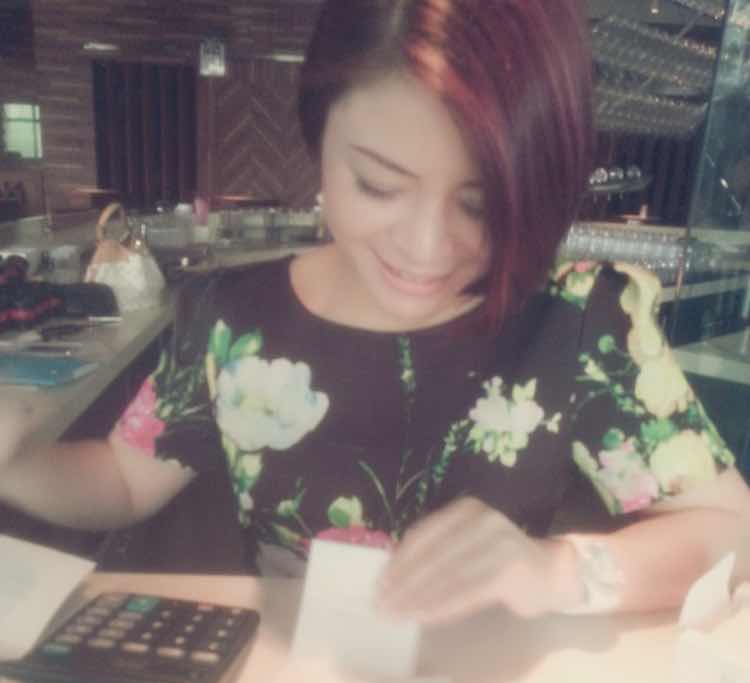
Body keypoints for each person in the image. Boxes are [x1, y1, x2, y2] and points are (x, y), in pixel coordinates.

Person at [2, 0, 749, 625]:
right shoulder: (232, 316)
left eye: (482, 204)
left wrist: (556, 570)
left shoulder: (581, 320)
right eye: (379, 186)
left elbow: (733, 535)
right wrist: (21, 464)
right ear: (318, 140)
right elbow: (126, 479)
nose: (426, 249)